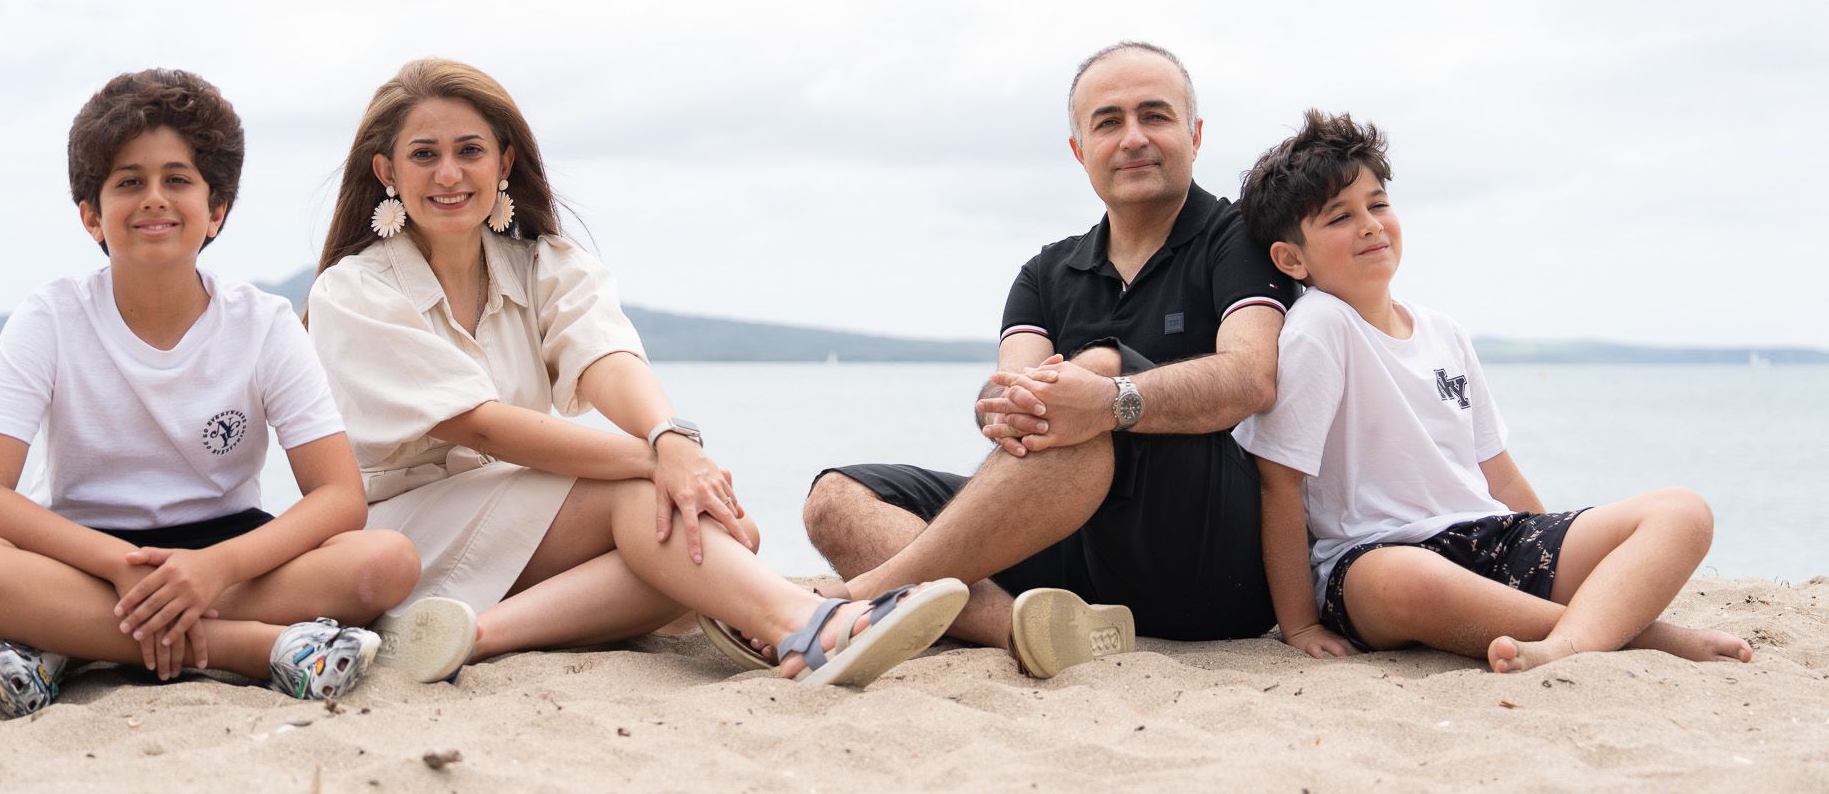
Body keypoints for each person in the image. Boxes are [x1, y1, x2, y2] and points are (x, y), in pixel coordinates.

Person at [304, 58, 966, 687]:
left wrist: (670, 438)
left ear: (504, 161)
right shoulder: (353, 290)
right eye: (425, 154)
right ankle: (805, 623)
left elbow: (605, 358)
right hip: (402, 536)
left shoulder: (540, 263)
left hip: (514, 525)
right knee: (658, 505)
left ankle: (470, 633)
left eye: (469, 150)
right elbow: (484, 427)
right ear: (387, 169)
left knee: (717, 531)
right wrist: (654, 460)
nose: (449, 172)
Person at [0, 69, 420, 718]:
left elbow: (340, 496)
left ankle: (65, 641)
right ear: (91, 213)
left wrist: (214, 568)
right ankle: (255, 649)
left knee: (385, 561)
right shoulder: (51, 317)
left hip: (227, 558)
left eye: (177, 178)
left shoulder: (263, 324)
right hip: (81, 553)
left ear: (216, 207)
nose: (154, 198)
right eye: (128, 181)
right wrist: (117, 562)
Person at [803, 41, 1292, 675]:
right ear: (1078, 150)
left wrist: (1110, 400)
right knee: (835, 500)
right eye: (1108, 122)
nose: (1133, 137)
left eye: (1156, 115)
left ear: (1195, 135)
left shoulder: (1242, 238)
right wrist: (1008, 406)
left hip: (1207, 560)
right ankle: (1022, 628)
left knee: (1089, 383)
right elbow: (1014, 386)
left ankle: (870, 596)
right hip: (1070, 551)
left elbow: (1252, 379)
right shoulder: (1046, 271)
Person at [1233, 109, 1752, 671]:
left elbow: (1497, 474)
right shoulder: (1320, 325)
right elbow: (1279, 483)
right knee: (1407, 579)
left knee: (1683, 512)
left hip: (1494, 538)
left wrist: (1547, 538)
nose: (1369, 224)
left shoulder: (1444, 332)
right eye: (1340, 216)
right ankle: (1642, 638)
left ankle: (1572, 637)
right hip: (1376, 558)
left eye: (1378, 204)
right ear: (1292, 258)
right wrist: (1300, 623)